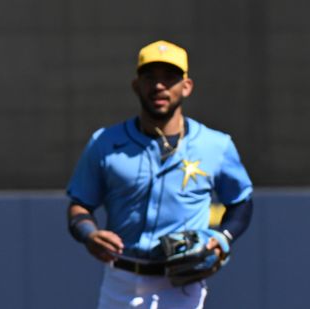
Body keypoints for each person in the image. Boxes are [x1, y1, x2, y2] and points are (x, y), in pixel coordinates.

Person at [66, 40, 253, 309]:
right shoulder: (105, 143)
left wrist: (223, 238)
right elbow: (80, 204)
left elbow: (241, 202)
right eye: (150, 77)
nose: (159, 86)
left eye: (170, 78)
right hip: (122, 280)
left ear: (186, 86)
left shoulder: (215, 145)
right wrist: (88, 234)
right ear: (136, 85)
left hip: (183, 284)